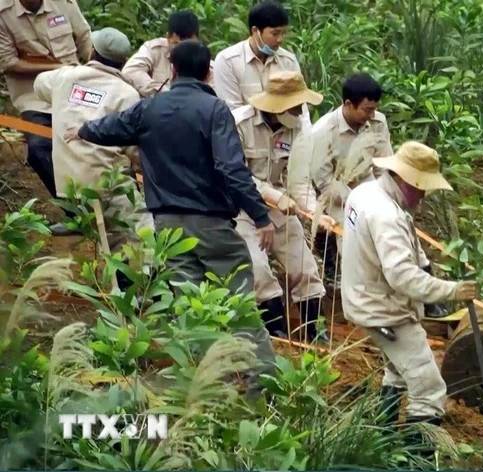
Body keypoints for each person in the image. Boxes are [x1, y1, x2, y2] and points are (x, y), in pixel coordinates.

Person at [65, 39, 278, 389]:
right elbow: (231, 167)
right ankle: (263, 384)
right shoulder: (214, 110)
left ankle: (209, 384)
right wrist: (260, 216)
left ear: (173, 70)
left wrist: (83, 130)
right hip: (211, 224)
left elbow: (111, 127)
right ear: (209, 73)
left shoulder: (149, 107)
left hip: (167, 229)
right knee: (240, 306)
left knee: (190, 307)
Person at [341, 140, 478, 452]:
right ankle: (414, 457)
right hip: (385, 310)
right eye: (422, 187)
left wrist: (428, 272)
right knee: (429, 389)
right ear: (405, 179)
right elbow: (401, 275)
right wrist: (452, 290)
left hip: (364, 297)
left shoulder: (366, 192)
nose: (425, 195)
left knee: (398, 370)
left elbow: (403, 248)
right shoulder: (386, 214)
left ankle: (381, 439)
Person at [312, 72, 450, 317]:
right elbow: (324, 180)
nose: (371, 115)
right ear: (348, 105)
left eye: (374, 109)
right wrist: (359, 200)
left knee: (402, 226)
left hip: (372, 182)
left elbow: (384, 163)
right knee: (353, 237)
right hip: (339, 193)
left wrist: (385, 196)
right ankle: (366, 300)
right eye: (366, 110)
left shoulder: (378, 122)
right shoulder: (323, 131)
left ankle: (427, 296)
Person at [32, 27, 153, 289]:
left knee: (109, 233)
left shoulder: (63, 78)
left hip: (69, 187)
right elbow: (134, 150)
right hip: (107, 185)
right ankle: (135, 293)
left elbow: (39, 84)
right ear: (122, 61)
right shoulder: (127, 94)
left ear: (91, 51)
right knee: (143, 235)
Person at [230, 70, 334, 343]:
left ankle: (315, 331)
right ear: (278, 105)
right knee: (258, 269)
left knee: (305, 265)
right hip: (241, 208)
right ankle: (277, 332)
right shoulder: (239, 123)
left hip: (279, 207)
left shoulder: (297, 127)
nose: (302, 112)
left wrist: (315, 213)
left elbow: (299, 180)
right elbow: (235, 174)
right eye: (297, 106)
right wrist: (274, 196)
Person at [0, 0, 93, 235]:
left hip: (75, 87)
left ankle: (112, 205)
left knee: (96, 138)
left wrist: (94, 72)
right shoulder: (3, 13)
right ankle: (78, 216)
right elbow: (8, 62)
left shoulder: (63, 3)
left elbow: (84, 39)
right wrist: (57, 67)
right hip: (34, 97)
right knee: (39, 147)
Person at [212, 0, 309, 128]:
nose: (280, 39)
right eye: (275, 33)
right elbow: (231, 113)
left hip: (284, 140)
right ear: (255, 31)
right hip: (246, 141)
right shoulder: (228, 61)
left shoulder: (288, 61)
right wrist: (266, 110)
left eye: (283, 33)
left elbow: (301, 110)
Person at [121, 9, 215, 97]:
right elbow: (130, 72)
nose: (183, 49)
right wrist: (164, 93)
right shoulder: (154, 49)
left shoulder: (207, 64)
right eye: (176, 44)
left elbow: (214, 93)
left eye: (188, 44)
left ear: (197, 40)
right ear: (167, 38)